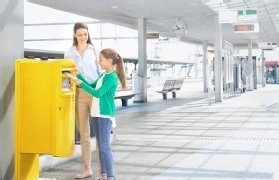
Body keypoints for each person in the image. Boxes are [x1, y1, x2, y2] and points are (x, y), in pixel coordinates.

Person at [73, 48, 126, 180]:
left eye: (101, 60)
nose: (99, 62)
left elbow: (97, 93)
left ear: (109, 61)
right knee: (100, 146)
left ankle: (111, 176)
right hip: (96, 114)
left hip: (105, 116)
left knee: (104, 147)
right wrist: (79, 76)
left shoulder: (112, 77)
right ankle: (103, 175)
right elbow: (91, 85)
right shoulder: (103, 75)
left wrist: (80, 83)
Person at [64, 22, 101, 179]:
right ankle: (87, 168)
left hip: (94, 93)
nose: (83, 37)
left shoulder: (95, 50)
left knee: (99, 132)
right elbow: (67, 76)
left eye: (85, 34)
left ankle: (103, 169)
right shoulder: (69, 53)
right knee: (84, 133)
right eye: (80, 34)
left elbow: (101, 73)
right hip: (79, 94)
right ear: (74, 35)